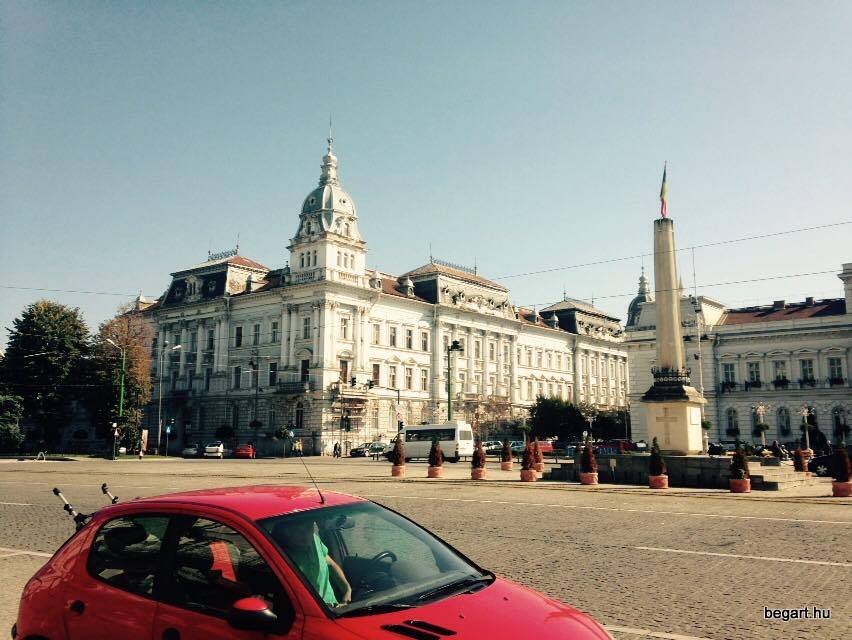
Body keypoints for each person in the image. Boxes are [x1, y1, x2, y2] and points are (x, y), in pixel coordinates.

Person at [273, 520, 351, 606]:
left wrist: (347, 589)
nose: (305, 534)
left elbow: (331, 564)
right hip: (312, 611)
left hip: (334, 607)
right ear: (287, 532)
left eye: (308, 528)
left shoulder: (315, 541)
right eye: (298, 530)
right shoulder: (282, 556)